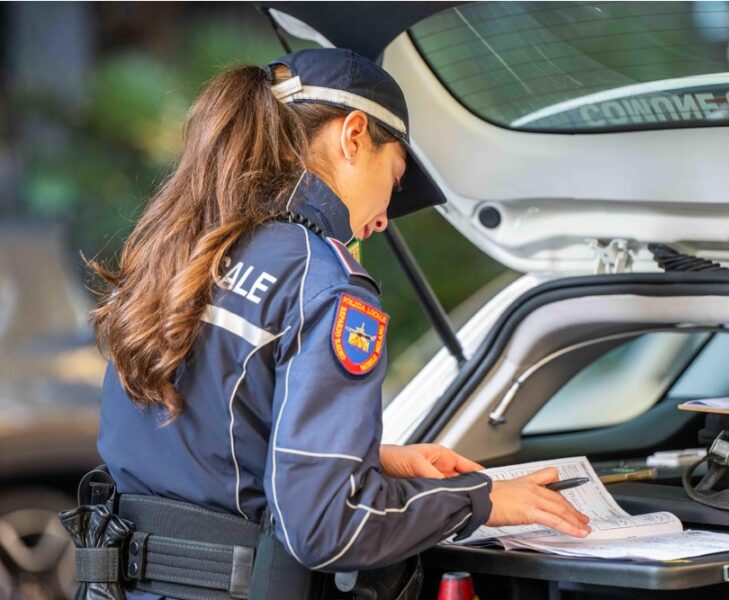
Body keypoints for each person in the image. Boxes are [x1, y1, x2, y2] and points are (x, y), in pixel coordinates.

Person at [88, 48, 589, 598]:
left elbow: (204, 438)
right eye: (394, 181)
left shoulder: (177, 251)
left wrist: (371, 460)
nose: (379, 221)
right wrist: (482, 500)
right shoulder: (320, 278)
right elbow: (327, 527)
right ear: (353, 136)